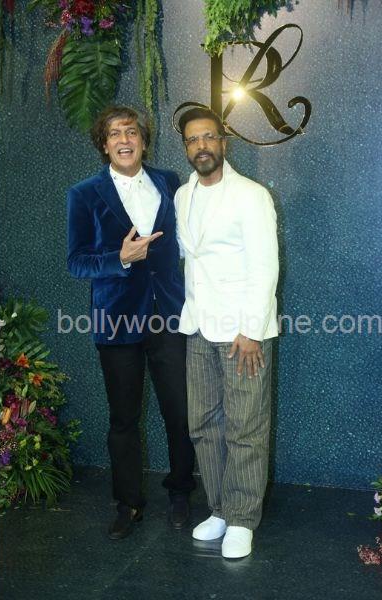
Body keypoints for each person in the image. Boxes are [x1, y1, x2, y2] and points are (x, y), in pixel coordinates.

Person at [66, 105, 196, 540]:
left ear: (143, 139)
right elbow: (76, 262)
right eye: (115, 134)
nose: (124, 139)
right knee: (123, 419)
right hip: (116, 321)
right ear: (104, 145)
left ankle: (181, 491)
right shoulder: (84, 194)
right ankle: (128, 503)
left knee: (180, 412)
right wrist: (119, 258)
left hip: (169, 316)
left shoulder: (169, 182)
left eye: (132, 131)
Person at [174, 107, 279, 558]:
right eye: (192, 140)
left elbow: (265, 265)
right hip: (199, 326)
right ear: (186, 148)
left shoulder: (251, 195)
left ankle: (242, 519)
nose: (201, 146)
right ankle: (219, 509)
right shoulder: (182, 196)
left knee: (245, 426)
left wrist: (251, 329)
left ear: (223, 142)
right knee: (203, 424)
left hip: (242, 332)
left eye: (208, 137)